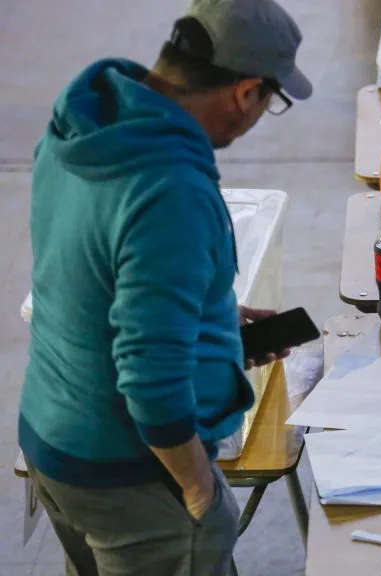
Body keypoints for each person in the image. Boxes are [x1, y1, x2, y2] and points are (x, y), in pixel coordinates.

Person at [19, 0, 310, 574]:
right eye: (270, 101)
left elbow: (92, 267)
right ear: (245, 92)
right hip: (129, 471)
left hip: (53, 437)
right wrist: (199, 492)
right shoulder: (170, 187)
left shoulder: (86, 127)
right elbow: (150, 379)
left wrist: (212, 316)